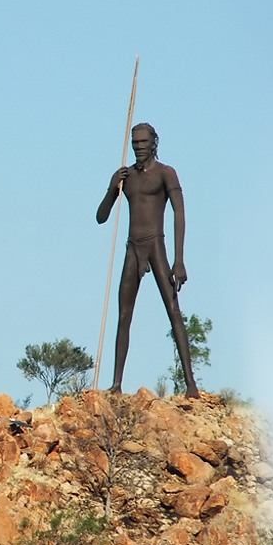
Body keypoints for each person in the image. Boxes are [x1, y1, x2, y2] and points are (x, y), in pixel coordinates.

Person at [95, 122, 199, 398]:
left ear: (154, 143)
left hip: (156, 244)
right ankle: (116, 384)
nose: (139, 148)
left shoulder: (166, 174)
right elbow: (101, 217)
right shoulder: (126, 177)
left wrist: (179, 260)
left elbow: (179, 214)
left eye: (143, 143)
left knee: (174, 311)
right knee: (124, 316)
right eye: (135, 143)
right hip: (133, 248)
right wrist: (111, 187)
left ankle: (191, 384)